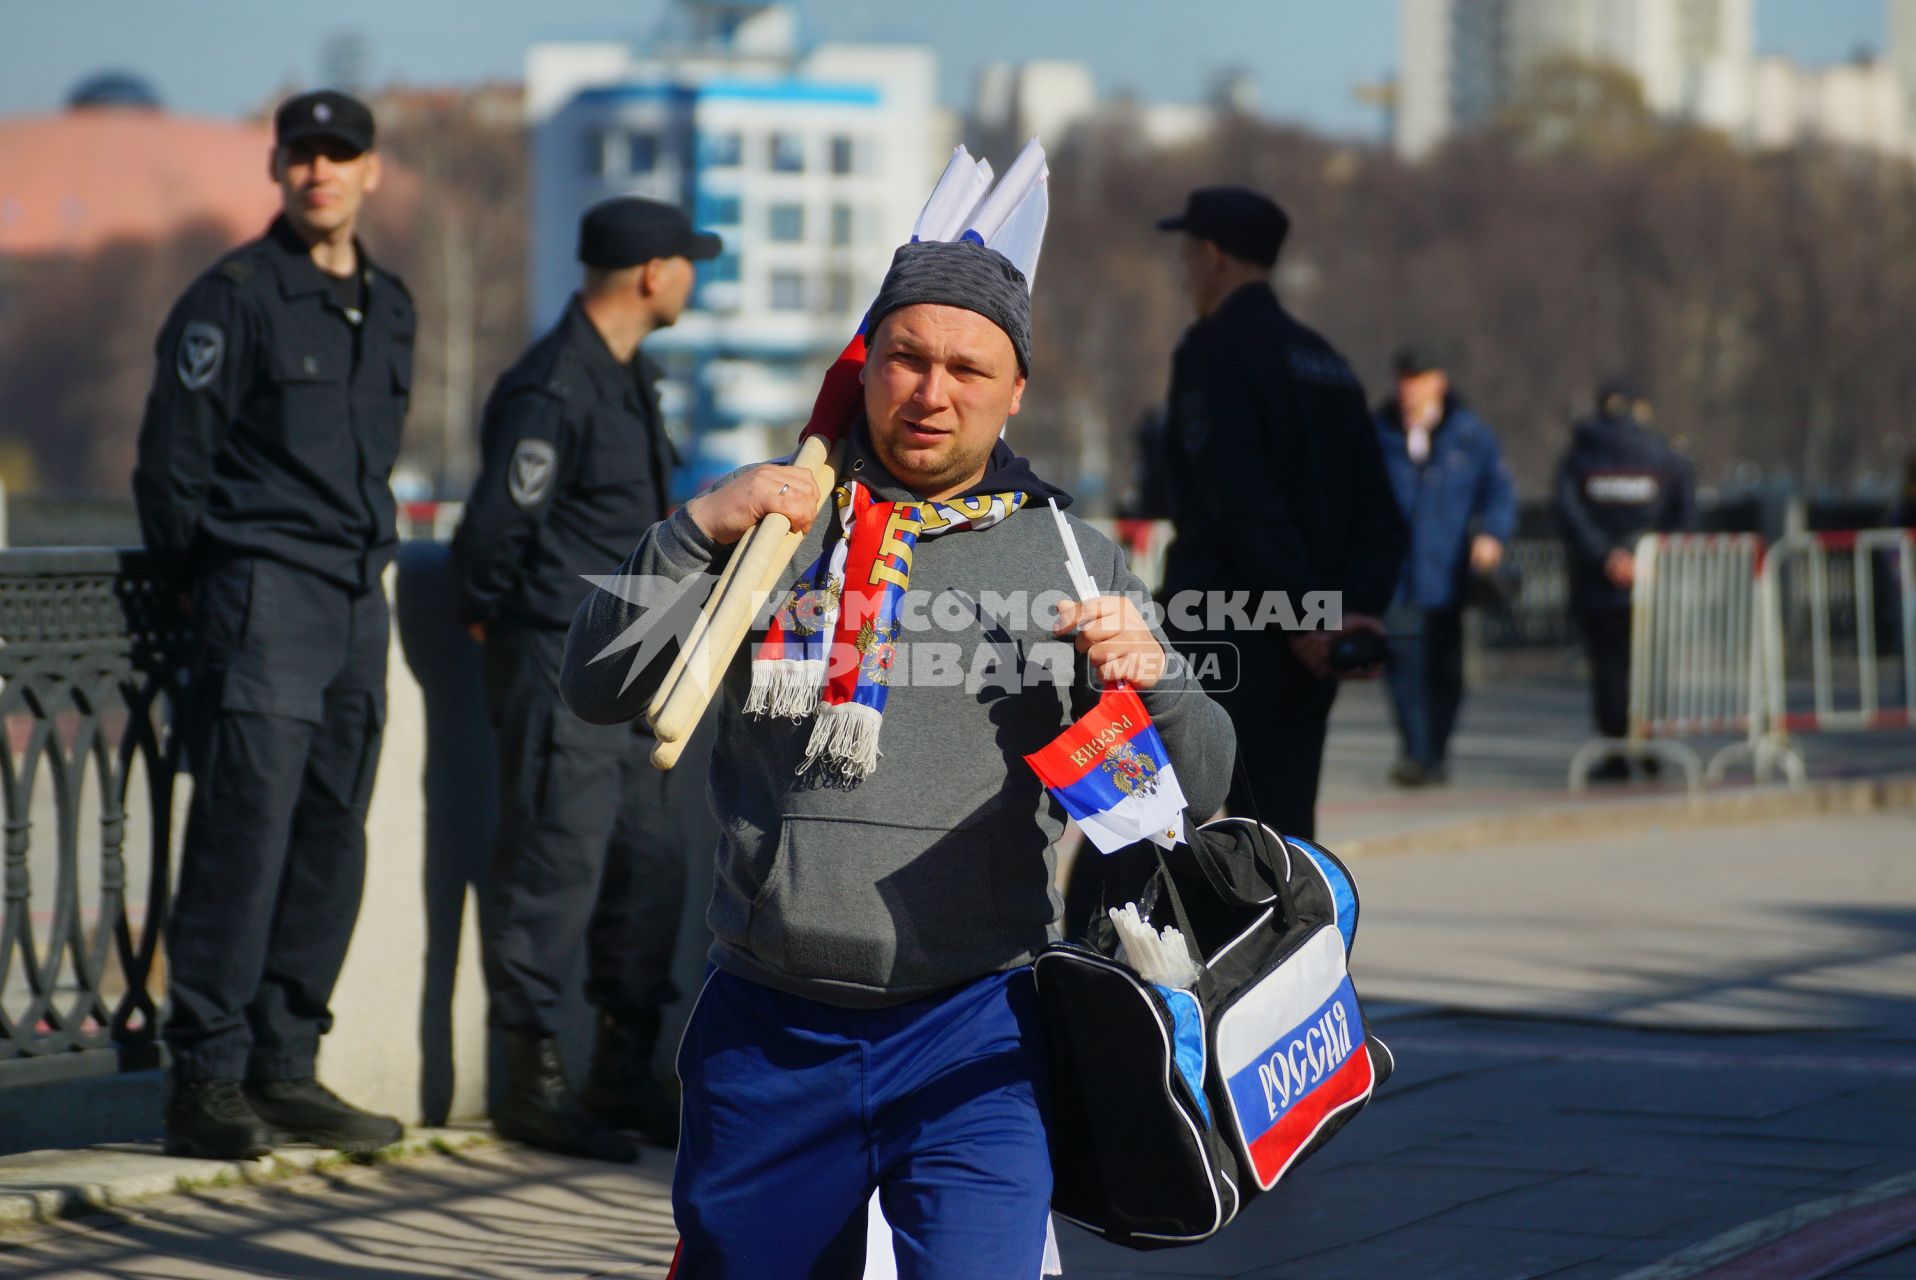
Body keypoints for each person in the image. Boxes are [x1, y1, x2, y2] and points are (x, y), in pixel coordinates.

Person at [561, 238, 1235, 1277]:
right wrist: (694, 526)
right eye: (904, 358)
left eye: (967, 369)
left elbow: (1198, 789)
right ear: (863, 366)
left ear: (1014, 391)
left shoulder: (1068, 556)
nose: (930, 392)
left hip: (981, 1032)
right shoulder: (776, 530)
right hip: (768, 1028)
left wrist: (1158, 680)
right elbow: (597, 683)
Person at [132, 90, 411, 1158]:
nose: (321, 171)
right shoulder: (233, 298)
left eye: (340, 154)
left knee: (331, 832)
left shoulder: (390, 304)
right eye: (303, 154)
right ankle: (204, 1076)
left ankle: (284, 1063)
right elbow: (172, 469)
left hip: (353, 594)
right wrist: (203, 593)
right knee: (242, 834)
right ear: (278, 168)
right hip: (261, 588)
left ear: (369, 171)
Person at [449, 197, 719, 1162]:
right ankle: (532, 1080)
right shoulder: (555, 384)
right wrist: (502, 622)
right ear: (652, 273)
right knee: (555, 862)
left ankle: (621, 1070)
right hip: (562, 660)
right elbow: (492, 535)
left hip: (637, 666)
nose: (694, 276)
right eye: (689, 261)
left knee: (651, 866)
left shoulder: (625, 378)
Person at [1152, 186, 1407, 839]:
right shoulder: (1329, 364)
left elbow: (1238, 498)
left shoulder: (1212, 350)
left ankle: (1112, 944)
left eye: (1186, 256)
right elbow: (1382, 509)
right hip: (1309, 654)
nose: (1184, 275)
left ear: (1212, 256)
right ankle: (1286, 944)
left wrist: (1299, 613)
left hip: (1222, 626)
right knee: (1281, 840)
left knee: (1150, 821)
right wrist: (1348, 615)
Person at [1373, 346, 1516, 786]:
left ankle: (1434, 752)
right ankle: (1415, 754)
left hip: (1447, 576)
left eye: (1417, 378)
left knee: (1446, 671)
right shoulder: (1378, 432)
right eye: (1402, 378)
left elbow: (1497, 490)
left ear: (1438, 381)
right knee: (1402, 668)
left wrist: (1492, 535)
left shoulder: (1468, 434)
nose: (1407, 388)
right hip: (1395, 578)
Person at [1553, 378, 1696, 779]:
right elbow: (1685, 511)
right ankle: (1649, 744)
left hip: (1596, 580)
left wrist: (1605, 555)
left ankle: (1615, 750)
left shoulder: (1580, 456)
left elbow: (1567, 511)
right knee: (1651, 663)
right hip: (1652, 578)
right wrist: (1647, 554)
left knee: (1608, 669)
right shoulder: (1663, 453)